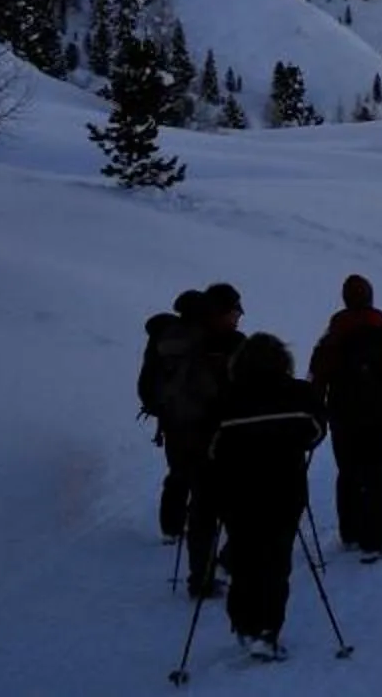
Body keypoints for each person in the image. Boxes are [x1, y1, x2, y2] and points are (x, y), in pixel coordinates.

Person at [207, 333, 327, 664]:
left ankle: (245, 624)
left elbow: (212, 448)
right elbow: (316, 432)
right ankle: (266, 631)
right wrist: (291, 443)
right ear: (282, 360)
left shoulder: (227, 397)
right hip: (284, 489)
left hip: (237, 491)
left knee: (244, 556)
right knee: (276, 561)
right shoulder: (299, 393)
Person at [307, 274, 382, 559]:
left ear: (345, 300)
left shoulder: (331, 338)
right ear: (370, 298)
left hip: (342, 417)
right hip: (381, 417)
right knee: (376, 476)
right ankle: (373, 543)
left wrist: (317, 414)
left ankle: (349, 534)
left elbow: (315, 379)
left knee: (347, 473)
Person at [155, 281, 246, 599]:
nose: (238, 317)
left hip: (182, 432)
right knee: (238, 503)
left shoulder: (177, 340)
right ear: (221, 312)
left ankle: (201, 578)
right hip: (221, 435)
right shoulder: (230, 343)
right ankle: (230, 562)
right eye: (235, 311)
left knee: (202, 508)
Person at [137, 288, 206, 541]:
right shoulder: (200, 337)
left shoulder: (163, 338)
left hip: (172, 417)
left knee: (179, 470)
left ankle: (171, 527)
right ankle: (198, 521)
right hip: (200, 416)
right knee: (202, 470)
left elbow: (147, 380)